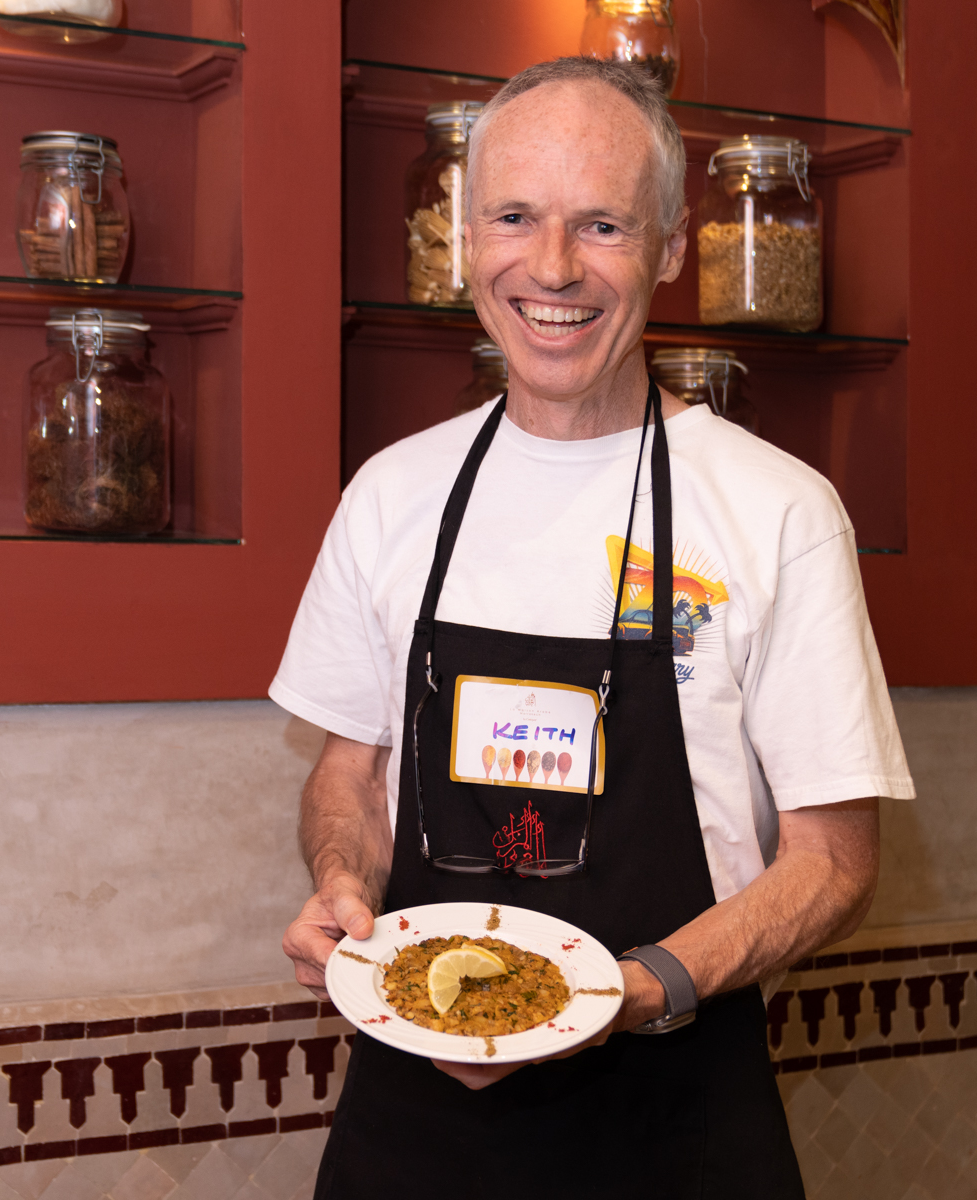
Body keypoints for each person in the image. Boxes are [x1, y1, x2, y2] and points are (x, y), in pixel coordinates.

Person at [271, 56, 914, 1197]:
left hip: (675, 1123)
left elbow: (833, 861)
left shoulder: (777, 511)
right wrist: (342, 885)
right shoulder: (390, 494)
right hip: (414, 1130)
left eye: (603, 224)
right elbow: (350, 778)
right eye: (514, 217)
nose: (552, 267)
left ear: (670, 247)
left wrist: (637, 987)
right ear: (467, 235)